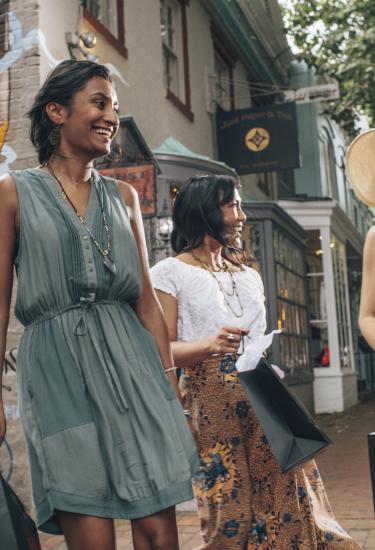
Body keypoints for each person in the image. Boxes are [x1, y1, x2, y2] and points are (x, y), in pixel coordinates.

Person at [0, 59, 199, 550]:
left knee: (157, 530)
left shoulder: (124, 197)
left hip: (134, 368)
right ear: (56, 111)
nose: (111, 115)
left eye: (115, 106)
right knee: (89, 530)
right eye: (99, 102)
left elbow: (148, 306)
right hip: (56, 372)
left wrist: (170, 388)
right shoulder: (12, 195)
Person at [150, 174, 360, 549]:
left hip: (262, 390)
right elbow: (160, 349)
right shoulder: (170, 272)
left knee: (290, 497)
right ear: (204, 211)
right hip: (209, 398)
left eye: (240, 205)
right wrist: (209, 347)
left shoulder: (247, 275)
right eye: (231, 205)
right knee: (229, 508)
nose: (241, 215)